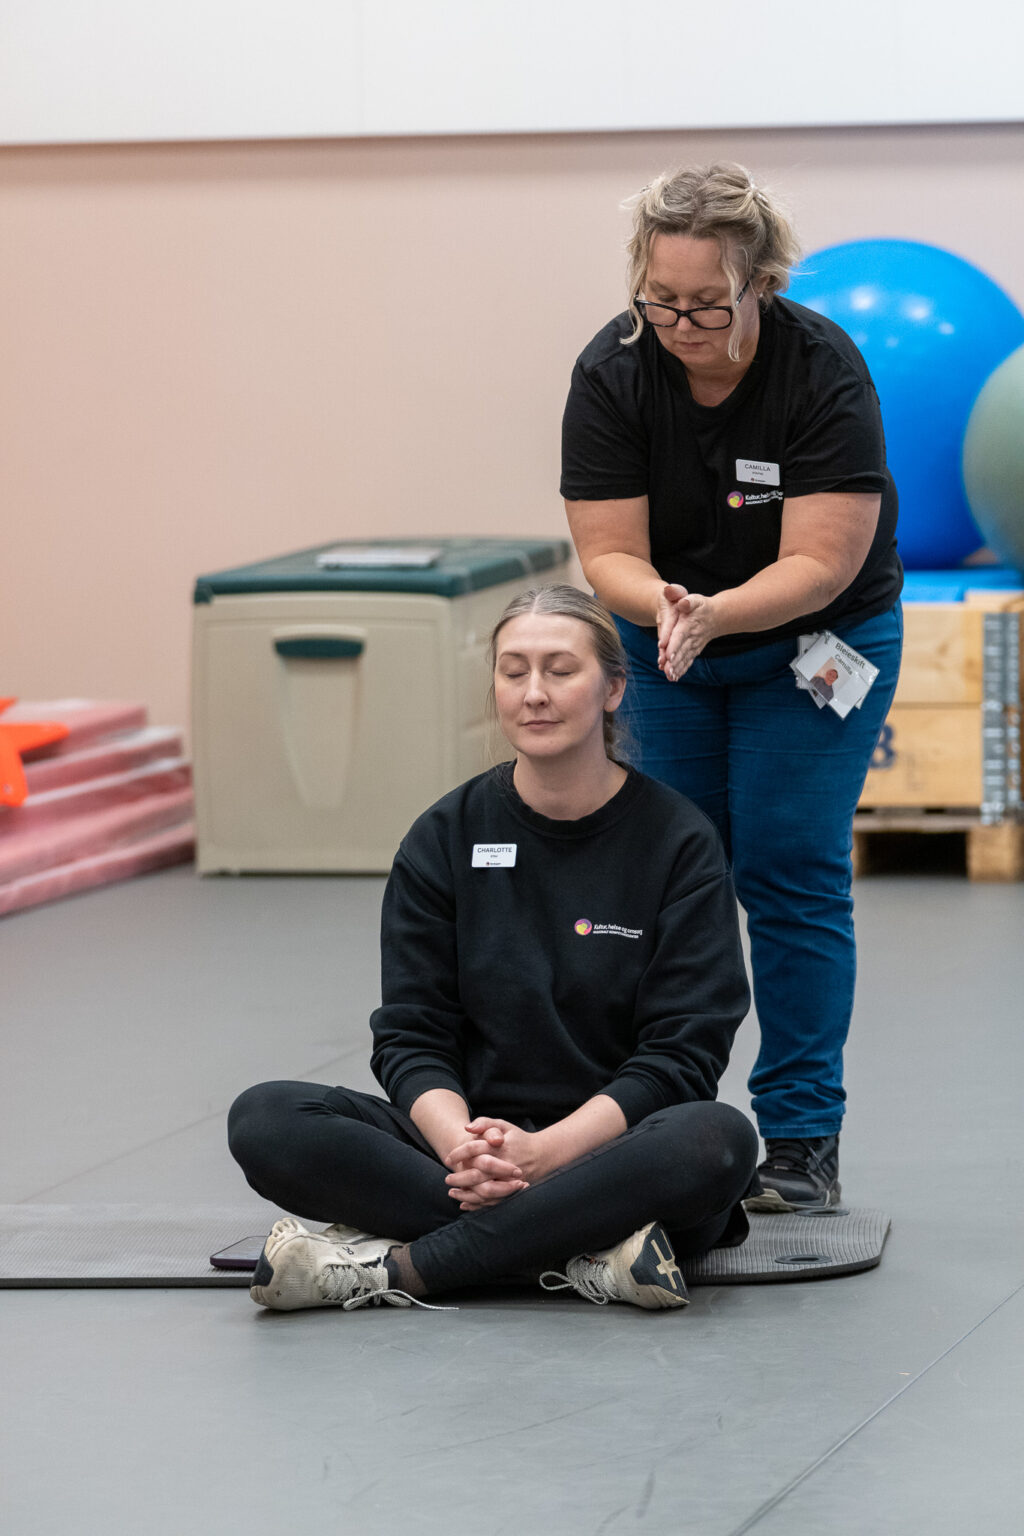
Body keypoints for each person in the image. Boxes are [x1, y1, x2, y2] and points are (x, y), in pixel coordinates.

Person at [228, 585, 756, 1313]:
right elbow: (412, 1035)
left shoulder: (678, 844)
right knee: (265, 1118)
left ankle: (399, 1271)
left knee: (716, 1141)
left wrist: (547, 1155)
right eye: (514, 671)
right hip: (462, 1156)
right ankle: (591, 1253)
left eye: (560, 670)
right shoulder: (444, 836)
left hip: (615, 1154)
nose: (534, 693)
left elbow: (683, 1056)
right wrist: (462, 1149)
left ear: (613, 687)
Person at [560, 163, 904, 1212]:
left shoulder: (820, 369)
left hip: (813, 645)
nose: (682, 324)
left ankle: (800, 1142)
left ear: (760, 283)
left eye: (707, 304)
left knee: (789, 875)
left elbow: (824, 562)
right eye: (661, 301)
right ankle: (665, 1126)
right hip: (671, 644)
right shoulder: (614, 369)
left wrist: (718, 611)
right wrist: (666, 605)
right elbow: (605, 546)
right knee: (675, 880)